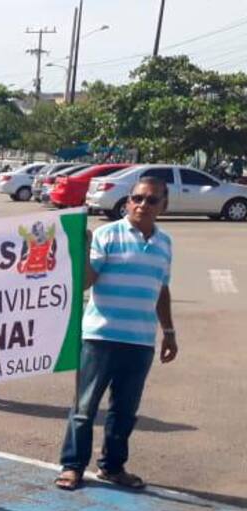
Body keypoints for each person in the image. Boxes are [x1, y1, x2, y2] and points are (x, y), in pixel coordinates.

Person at [56, 176, 177, 492]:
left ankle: (112, 467)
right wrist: (83, 251)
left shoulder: (165, 244)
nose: (142, 205)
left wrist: (168, 331)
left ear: (164, 206)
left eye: (152, 200)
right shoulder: (107, 234)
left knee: (124, 412)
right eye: (137, 198)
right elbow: (86, 282)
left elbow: (162, 289)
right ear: (128, 201)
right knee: (84, 409)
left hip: (140, 341)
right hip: (100, 337)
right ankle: (72, 466)